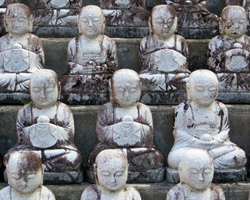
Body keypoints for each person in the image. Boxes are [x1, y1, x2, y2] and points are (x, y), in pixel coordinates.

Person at [167, 69, 247, 170]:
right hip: (191, 147)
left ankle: (199, 165)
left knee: (240, 156)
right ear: (188, 88)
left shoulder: (221, 108)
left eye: (212, 89)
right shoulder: (183, 109)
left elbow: (225, 131)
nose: (206, 94)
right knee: (174, 159)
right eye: (200, 90)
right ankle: (208, 163)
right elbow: (179, 133)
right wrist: (198, 143)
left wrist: (215, 141)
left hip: (216, 146)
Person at [88, 69, 164, 172]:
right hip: (111, 149)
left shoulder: (143, 109)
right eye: (120, 90)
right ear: (111, 88)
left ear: (140, 88)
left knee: (156, 157)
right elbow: (101, 135)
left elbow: (148, 135)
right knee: (96, 157)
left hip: (138, 150)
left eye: (132, 91)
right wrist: (120, 127)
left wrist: (135, 127)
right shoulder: (105, 110)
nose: (126, 95)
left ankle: (120, 164)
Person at [7, 69, 82, 172]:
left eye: (48, 91)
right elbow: (20, 138)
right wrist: (36, 129)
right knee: (10, 157)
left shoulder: (64, 110)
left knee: (73, 157)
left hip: (56, 151)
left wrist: (50, 128)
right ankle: (40, 166)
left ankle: (40, 167)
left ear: (58, 89)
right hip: (31, 151)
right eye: (36, 90)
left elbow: (68, 136)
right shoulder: (24, 111)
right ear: (30, 90)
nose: (42, 95)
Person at [139, 5, 189, 92]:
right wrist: (160, 54)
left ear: (176, 22)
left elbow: (185, 62)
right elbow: (143, 63)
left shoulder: (180, 40)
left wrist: (178, 58)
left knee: (190, 80)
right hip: (154, 75)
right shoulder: (146, 41)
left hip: (176, 76)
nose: (165, 26)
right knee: (140, 80)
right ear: (150, 23)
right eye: (159, 22)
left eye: (170, 22)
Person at [0, 3, 44, 92]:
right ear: (5, 21)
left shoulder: (35, 40)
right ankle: (18, 84)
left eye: (21, 20)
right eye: (11, 20)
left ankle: (15, 85)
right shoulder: (2, 40)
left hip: (27, 75)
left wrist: (25, 54)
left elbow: (40, 62)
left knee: (40, 78)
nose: (15, 24)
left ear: (30, 20)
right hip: (5, 75)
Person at [67, 5, 117, 75]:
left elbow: (113, 64)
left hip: (103, 77)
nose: (90, 24)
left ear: (103, 23)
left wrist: (100, 68)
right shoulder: (74, 43)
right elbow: (70, 65)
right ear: (78, 23)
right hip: (79, 78)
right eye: (85, 20)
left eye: (95, 20)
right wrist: (81, 69)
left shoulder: (109, 42)